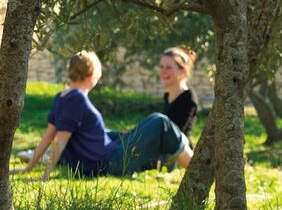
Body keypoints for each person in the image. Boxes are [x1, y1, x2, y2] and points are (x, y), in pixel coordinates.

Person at [12, 50, 192, 181]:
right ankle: (194, 167)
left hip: (98, 159)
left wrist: (28, 168)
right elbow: (59, 140)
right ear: (92, 76)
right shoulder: (77, 99)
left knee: (115, 133)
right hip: (108, 164)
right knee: (160, 122)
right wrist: (44, 177)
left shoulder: (62, 96)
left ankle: (174, 159)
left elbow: (48, 136)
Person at [158, 47, 199, 142]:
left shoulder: (189, 98)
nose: (163, 71)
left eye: (168, 67)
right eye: (161, 66)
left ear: (183, 71)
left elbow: (176, 135)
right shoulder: (167, 96)